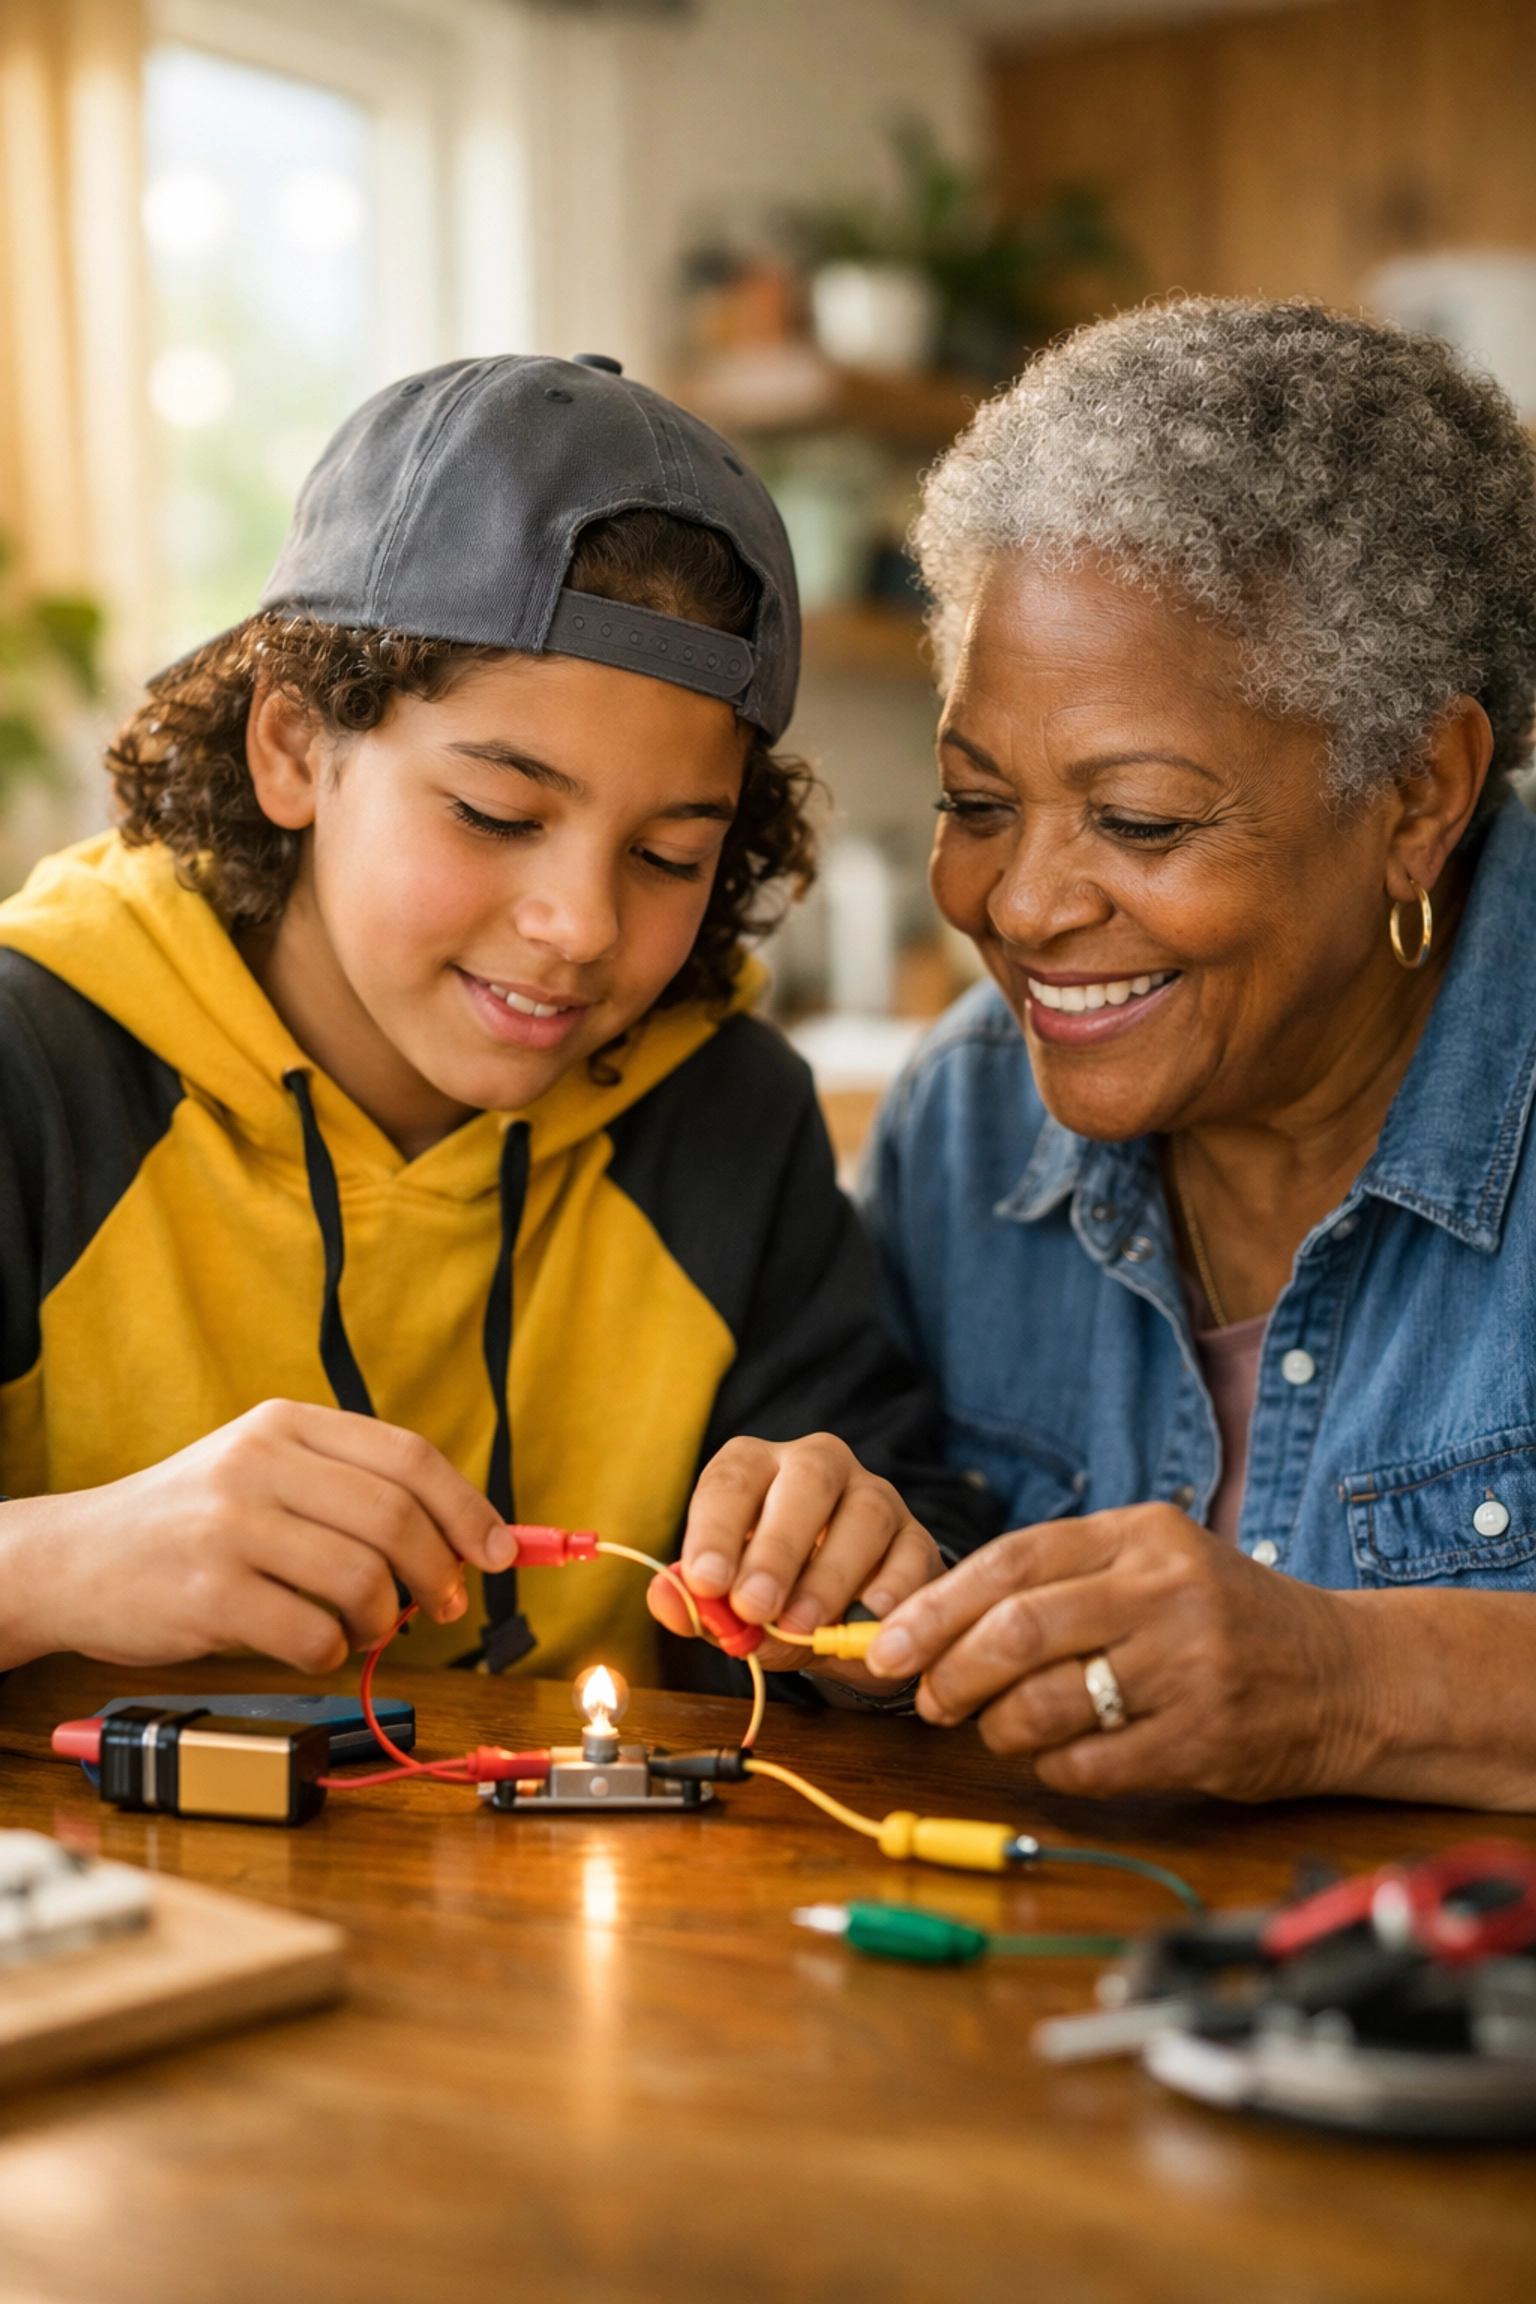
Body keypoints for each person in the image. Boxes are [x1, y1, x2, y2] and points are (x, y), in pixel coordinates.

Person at [0, 355, 992, 1688]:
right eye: (496, 815)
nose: (580, 925)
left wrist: (859, 1593)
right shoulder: (31, 1069)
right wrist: (47, 1565)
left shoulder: (725, 1114)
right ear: (292, 748)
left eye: (669, 855)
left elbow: (895, 1571)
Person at [669, 298, 1536, 1809]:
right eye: (975, 805)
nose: (1021, 908)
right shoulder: (968, 1118)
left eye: (1140, 821)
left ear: (1418, 799)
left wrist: (1351, 1681)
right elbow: (909, 1589)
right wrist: (860, 1582)